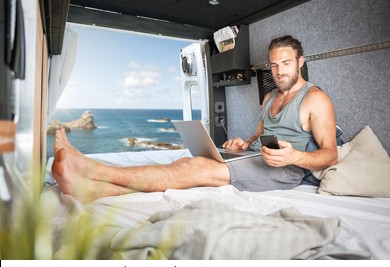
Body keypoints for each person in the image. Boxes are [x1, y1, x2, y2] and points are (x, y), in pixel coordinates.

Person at [52, 35, 338, 203]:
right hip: (253, 158)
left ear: (300, 62)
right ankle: (88, 189)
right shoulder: (269, 97)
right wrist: (244, 142)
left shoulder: (316, 100)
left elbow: (330, 155)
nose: (278, 71)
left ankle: (92, 170)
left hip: (283, 171)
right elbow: (261, 133)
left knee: (194, 169)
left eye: (286, 63)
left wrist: (294, 157)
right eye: (274, 65)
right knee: (183, 163)